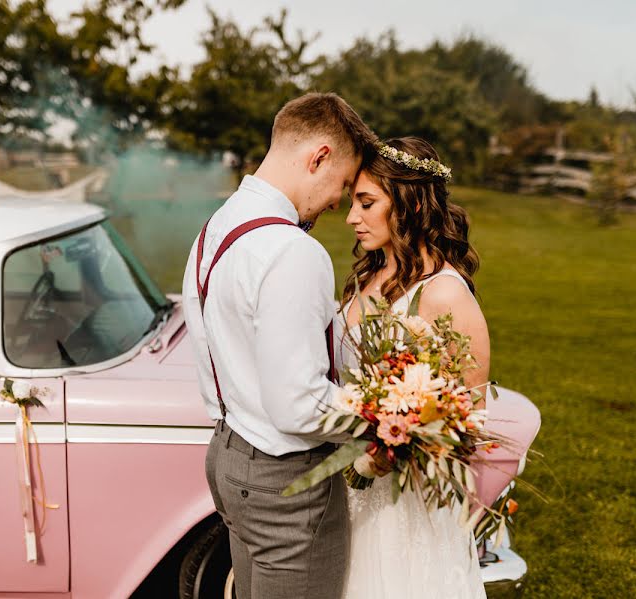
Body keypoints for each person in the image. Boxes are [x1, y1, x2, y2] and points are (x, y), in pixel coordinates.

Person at [181, 92, 376, 599]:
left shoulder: (213, 230)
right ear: (319, 157)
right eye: (342, 184)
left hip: (228, 452)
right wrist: (390, 418)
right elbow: (299, 407)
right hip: (286, 481)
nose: (337, 203)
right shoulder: (292, 251)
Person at [337, 136, 490, 599]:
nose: (351, 218)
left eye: (366, 203)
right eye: (352, 203)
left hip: (407, 502)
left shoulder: (444, 294)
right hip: (348, 485)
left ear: (409, 203)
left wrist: (396, 442)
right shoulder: (368, 275)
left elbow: (469, 421)